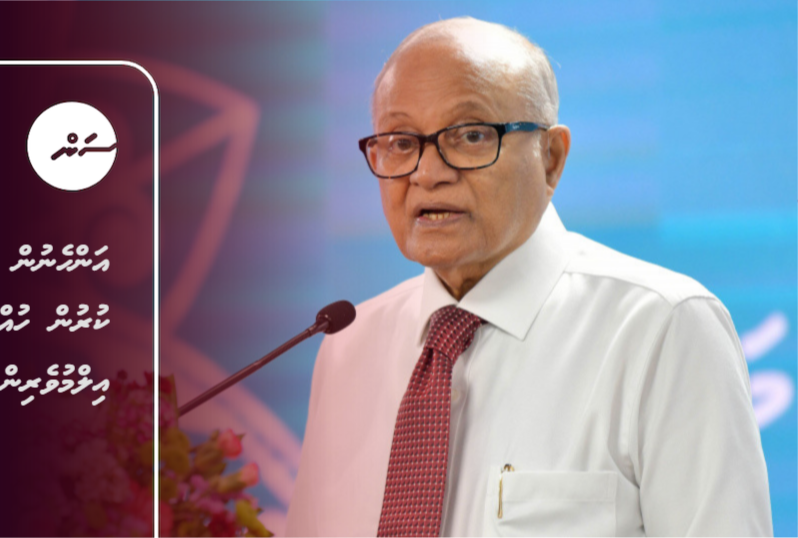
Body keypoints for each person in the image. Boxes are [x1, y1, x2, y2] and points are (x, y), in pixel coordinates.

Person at [285, 17, 773, 538]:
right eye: (401, 141)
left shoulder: (662, 328)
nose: (427, 173)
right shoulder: (346, 345)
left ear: (551, 159)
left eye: (471, 135)